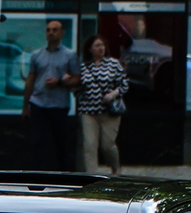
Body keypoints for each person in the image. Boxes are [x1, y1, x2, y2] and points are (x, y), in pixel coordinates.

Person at [22, 18, 81, 170]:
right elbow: (31, 79)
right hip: (38, 102)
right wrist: (25, 105)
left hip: (59, 103)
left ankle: (62, 172)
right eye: (48, 30)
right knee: (37, 141)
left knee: (60, 140)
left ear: (62, 33)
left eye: (55, 30)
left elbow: (77, 79)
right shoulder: (37, 55)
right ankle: (37, 172)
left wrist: (60, 82)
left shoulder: (70, 55)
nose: (51, 33)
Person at [76, 31, 128, 176]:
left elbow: (124, 85)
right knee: (89, 145)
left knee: (107, 145)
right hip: (88, 111)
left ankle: (116, 168)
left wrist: (113, 94)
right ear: (90, 49)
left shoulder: (113, 64)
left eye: (102, 45)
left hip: (109, 111)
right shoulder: (84, 67)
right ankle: (91, 174)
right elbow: (79, 87)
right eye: (97, 45)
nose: (100, 48)